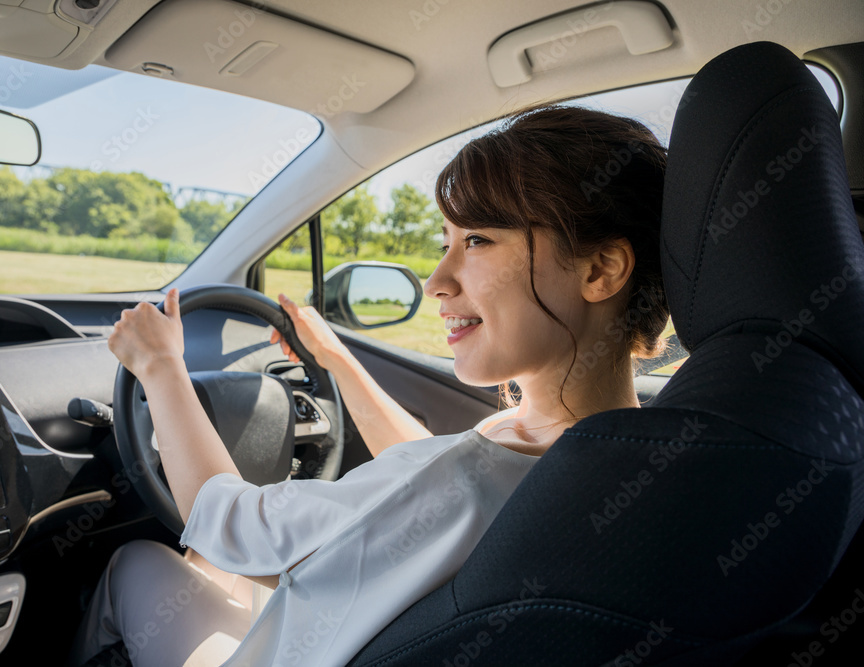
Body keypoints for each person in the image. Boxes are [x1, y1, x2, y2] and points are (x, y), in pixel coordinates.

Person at [67, 103, 670, 667]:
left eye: (478, 241)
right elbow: (424, 476)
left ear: (600, 269)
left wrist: (160, 367)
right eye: (446, 246)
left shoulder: (468, 477)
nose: (435, 281)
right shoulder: (637, 454)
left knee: (138, 561)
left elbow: (225, 523)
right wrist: (336, 359)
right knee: (203, 566)